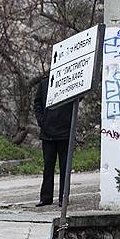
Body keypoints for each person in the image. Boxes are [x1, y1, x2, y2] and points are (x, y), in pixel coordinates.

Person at [33, 74, 73, 206]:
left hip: (65, 132)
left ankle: (63, 197)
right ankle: (46, 198)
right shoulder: (45, 83)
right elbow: (37, 102)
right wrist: (41, 121)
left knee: (64, 167)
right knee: (48, 167)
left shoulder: (70, 81)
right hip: (48, 132)